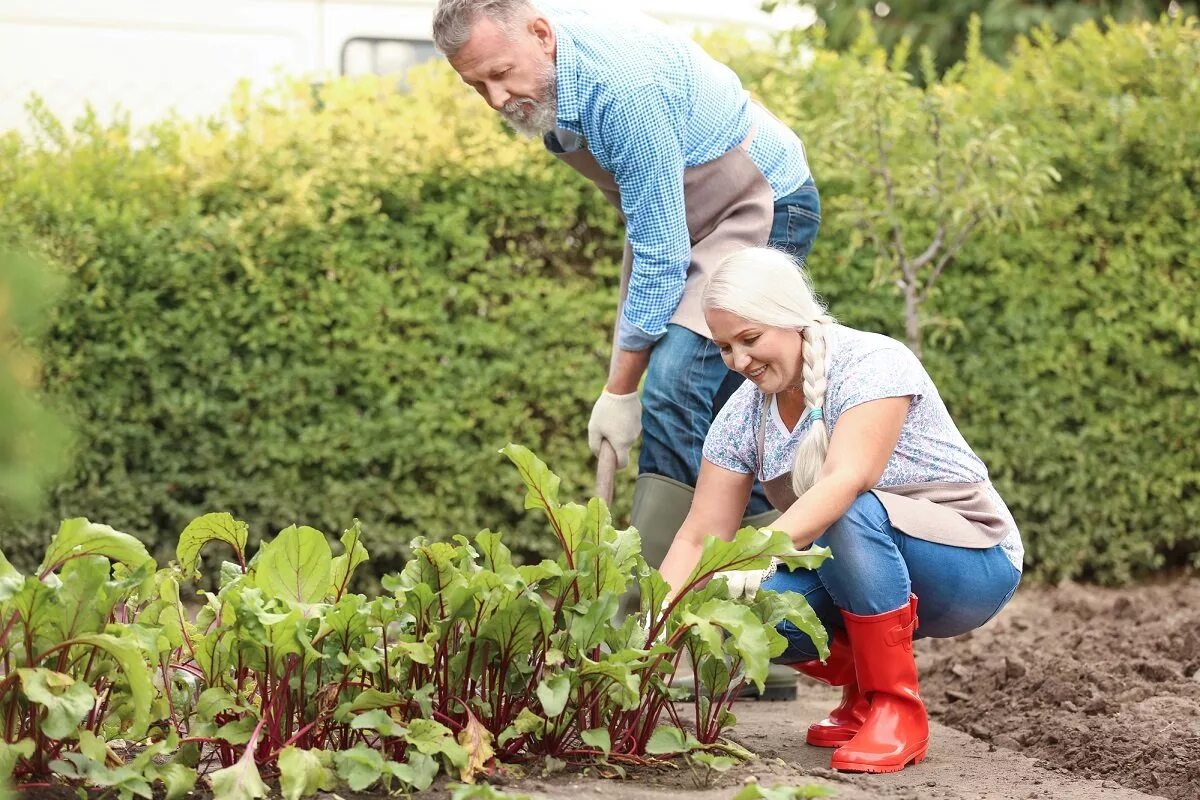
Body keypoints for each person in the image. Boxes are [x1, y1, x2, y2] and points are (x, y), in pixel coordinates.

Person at [431, 2, 821, 687]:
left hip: (760, 203)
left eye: (500, 73)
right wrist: (621, 371)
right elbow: (649, 232)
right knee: (727, 428)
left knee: (673, 386)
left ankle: (650, 628)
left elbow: (663, 256)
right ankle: (762, 644)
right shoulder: (553, 89)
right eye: (475, 85)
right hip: (691, 220)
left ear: (541, 35)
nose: (495, 98)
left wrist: (622, 389)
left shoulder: (621, 90)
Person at [657, 246, 1024, 773]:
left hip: (970, 563)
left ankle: (898, 711)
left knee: (849, 510)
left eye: (750, 339)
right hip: (857, 565)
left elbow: (847, 481)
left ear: (791, 317)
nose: (738, 361)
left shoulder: (872, 362)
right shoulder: (744, 415)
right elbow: (698, 536)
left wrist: (759, 554)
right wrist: (656, 626)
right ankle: (864, 695)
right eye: (725, 347)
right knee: (737, 609)